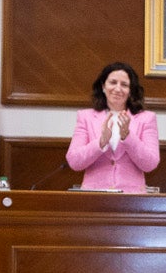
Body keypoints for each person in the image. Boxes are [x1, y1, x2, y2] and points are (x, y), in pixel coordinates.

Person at [66, 62, 160, 192]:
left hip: (131, 199)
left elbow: (150, 164)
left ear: (130, 90)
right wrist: (101, 142)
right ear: (103, 86)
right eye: (113, 82)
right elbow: (74, 162)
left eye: (124, 85)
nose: (118, 89)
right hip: (94, 197)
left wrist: (128, 136)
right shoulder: (85, 117)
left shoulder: (147, 118)